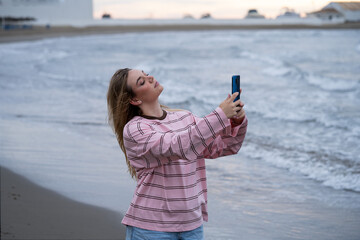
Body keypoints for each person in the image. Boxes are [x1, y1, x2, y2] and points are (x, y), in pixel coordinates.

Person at [107, 68, 248, 240]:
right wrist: (219, 115)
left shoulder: (185, 117)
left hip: (192, 225)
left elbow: (225, 147)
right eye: (141, 82)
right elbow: (177, 146)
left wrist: (236, 121)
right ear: (134, 99)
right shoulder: (135, 129)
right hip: (151, 227)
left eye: (146, 74)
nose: (150, 78)